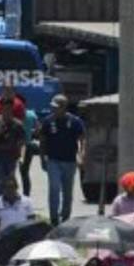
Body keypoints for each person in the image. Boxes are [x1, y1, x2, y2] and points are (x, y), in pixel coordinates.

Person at [37, 94, 85, 226]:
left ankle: (65, 217)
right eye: (52, 107)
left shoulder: (75, 122)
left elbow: (82, 140)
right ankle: (53, 218)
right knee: (54, 188)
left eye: (56, 107)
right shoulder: (47, 121)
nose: (53, 109)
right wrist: (42, 158)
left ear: (64, 107)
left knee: (68, 191)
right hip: (53, 160)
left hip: (70, 161)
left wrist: (81, 155)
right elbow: (42, 141)